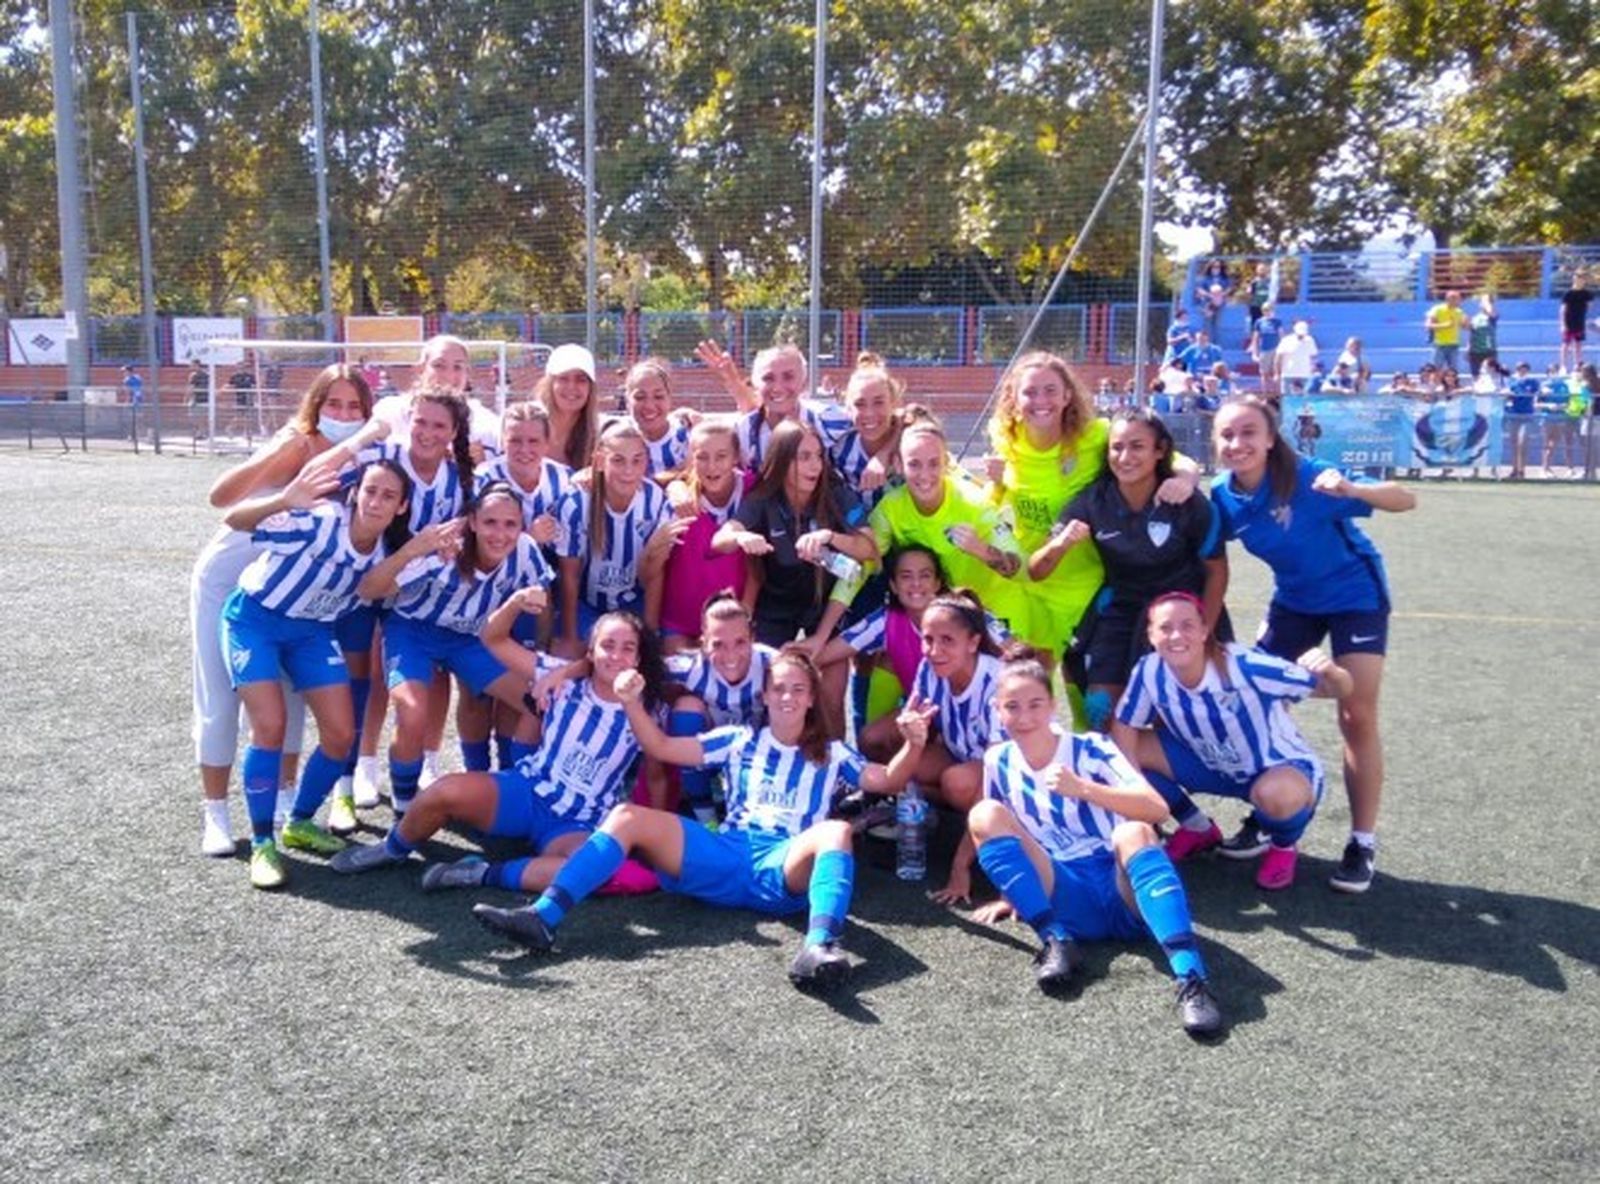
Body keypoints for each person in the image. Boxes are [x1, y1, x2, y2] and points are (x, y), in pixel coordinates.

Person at [470, 648, 935, 993]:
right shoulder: (738, 739)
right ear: (765, 695)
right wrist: (631, 703)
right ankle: (543, 918)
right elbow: (664, 749)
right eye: (779, 688)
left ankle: (818, 947)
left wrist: (913, 744)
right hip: (726, 853)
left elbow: (886, 780)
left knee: (835, 830)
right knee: (627, 816)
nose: (788, 697)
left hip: (781, 865)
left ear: (812, 697)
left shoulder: (832, 753)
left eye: (798, 689)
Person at [1209, 397, 1417, 892]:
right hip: (1294, 600)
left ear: (1270, 438)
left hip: (1355, 594)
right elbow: (1201, 548)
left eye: (1248, 433)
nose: (1238, 444)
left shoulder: (1307, 475)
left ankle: (1361, 842)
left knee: (1356, 713)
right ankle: (1270, 817)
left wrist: (1351, 487)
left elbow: (1406, 499)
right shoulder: (1222, 495)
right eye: (1227, 435)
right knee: (1258, 702)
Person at [965, 651, 1223, 1036]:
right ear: (997, 710)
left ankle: (1192, 980)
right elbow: (999, 829)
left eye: (1035, 704)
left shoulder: (1092, 748)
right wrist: (1009, 893)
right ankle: (1056, 941)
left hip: (1118, 888)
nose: (1024, 716)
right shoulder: (996, 759)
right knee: (983, 812)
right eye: (1012, 707)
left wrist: (1083, 788)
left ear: (1053, 706)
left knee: (1133, 832)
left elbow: (1155, 807)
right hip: (1063, 891)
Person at [333, 605, 664, 896]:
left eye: (627, 648)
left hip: (578, 821)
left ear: (638, 658)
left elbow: (661, 761)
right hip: (528, 790)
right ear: (590, 652)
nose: (616, 656)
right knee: (442, 792)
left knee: (587, 870)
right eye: (607, 646)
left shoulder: (651, 706)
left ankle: (479, 873)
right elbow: (493, 638)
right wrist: (518, 605)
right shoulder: (564, 679)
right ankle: (392, 849)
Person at [189, 364, 376, 857]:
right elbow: (221, 497)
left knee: (291, 702)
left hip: (294, 597)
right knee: (222, 700)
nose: (343, 415)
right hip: (234, 580)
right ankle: (216, 812)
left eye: (353, 407)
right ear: (314, 406)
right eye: (332, 404)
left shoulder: (360, 459)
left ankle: (284, 806)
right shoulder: (296, 443)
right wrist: (284, 480)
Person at [217, 460, 413, 888]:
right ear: (356, 493)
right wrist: (284, 500)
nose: (376, 502)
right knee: (269, 726)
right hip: (255, 621)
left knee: (342, 734)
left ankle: (300, 822)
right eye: (370, 491)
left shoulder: (385, 553)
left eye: (388, 496)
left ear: (401, 507)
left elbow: (381, 586)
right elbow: (233, 518)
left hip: (312, 631)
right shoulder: (322, 522)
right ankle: (263, 842)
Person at [1112, 592, 1354, 890]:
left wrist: (1332, 671)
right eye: (1165, 627)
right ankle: (1198, 828)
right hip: (1209, 762)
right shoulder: (1149, 670)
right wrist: (1135, 784)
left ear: (1204, 631)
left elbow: (1338, 689)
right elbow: (1124, 724)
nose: (1176, 635)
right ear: (1151, 635)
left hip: (1272, 767)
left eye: (1187, 625)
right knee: (1117, 755)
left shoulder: (1247, 666)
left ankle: (1283, 844)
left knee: (1278, 796)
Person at [355, 483, 554, 817]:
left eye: (510, 524)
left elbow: (543, 596)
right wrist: (411, 551)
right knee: (412, 712)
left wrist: (542, 651)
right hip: (414, 630)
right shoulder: (445, 549)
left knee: (539, 701)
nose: (500, 534)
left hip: (470, 639)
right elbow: (368, 590)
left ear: (521, 527)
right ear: (472, 522)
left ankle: (515, 786)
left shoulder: (526, 549)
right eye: (490, 522)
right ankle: (405, 807)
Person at [1027, 409, 1227, 732]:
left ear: (1159, 451)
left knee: (1173, 711)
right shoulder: (1094, 501)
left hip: (1180, 610)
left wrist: (1206, 629)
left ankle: (1160, 778)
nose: (1125, 456)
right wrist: (1059, 544)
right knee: (1100, 708)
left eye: (1137, 446)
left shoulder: (1186, 501)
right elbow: (1036, 570)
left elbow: (1217, 570)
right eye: (1117, 447)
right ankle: (1109, 776)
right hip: (1122, 606)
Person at [713, 420, 876, 651]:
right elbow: (720, 541)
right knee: (771, 675)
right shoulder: (764, 497)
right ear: (782, 460)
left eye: (819, 456)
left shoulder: (836, 493)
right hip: (775, 607)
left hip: (825, 607)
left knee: (830, 683)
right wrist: (741, 537)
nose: (815, 466)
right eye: (804, 457)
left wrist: (829, 537)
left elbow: (869, 548)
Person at [866, 417, 1026, 640]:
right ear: (898, 465)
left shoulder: (974, 503)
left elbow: (1023, 570)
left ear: (947, 464)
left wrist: (981, 550)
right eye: (914, 464)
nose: (924, 475)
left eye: (934, 463)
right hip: (938, 618)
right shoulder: (890, 508)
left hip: (991, 610)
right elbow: (864, 564)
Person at [551, 420, 673, 655]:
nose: (628, 470)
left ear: (645, 462)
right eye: (618, 460)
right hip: (586, 605)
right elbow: (570, 574)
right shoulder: (576, 503)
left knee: (645, 662)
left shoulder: (656, 501)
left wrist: (650, 633)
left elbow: (656, 573)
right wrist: (570, 635)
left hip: (633, 604)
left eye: (637, 460)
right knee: (567, 658)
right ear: (599, 462)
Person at [656, 419, 749, 647]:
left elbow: (758, 570)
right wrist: (674, 486)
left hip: (731, 626)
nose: (711, 466)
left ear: (736, 457)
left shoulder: (753, 491)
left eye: (721, 456)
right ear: (690, 459)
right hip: (679, 622)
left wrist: (747, 613)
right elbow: (638, 479)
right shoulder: (679, 497)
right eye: (702, 457)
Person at [619, 357, 696, 476]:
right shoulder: (618, 437)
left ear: (669, 398)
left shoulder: (689, 435)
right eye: (640, 397)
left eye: (658, 396)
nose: (649, 406)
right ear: (627, 400)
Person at [536, 343, 602, 471]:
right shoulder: (527, 425)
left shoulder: (600, 435)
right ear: (550, 384)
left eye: (581, 379)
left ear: (590, 387)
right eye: (563, 378)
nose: (572, 386)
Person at [1424, 289, 1469, 376]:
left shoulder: (1459, 312)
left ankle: (1452, 387)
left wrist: (1467, 322)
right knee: (1436, 369)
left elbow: (1465, 327)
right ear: (1449, 299)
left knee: (1453, 371)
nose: (1459, 301)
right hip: (1440, 345)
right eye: (1457, 299)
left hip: (1454, 345)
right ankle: (1436, 387)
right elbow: (1428, 325)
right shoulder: (1437, 309)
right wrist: (1444, 325)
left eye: (1459, 299)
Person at [1558, 271, 1593, 374]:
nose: (1579, 281)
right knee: (1566, 344)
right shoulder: (1568, 294)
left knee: (1578, 344)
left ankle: (1577, 364)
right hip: (1569, 322)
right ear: (1574, 280)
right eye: (1577, 279)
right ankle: (1563, 365)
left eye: (1582, 279)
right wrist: (1563, 324)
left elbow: (1589, 306)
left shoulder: (1587, 294)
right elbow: (1563, 309)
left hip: (1579, 322)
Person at [1275, 320, 1317, 394]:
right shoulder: (1286, 340)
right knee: (1286, 397)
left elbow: (1312, 356)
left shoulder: (1310, 340)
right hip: (1288, 374)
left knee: (1303, 398)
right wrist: (1277, 373)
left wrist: (1312, 368)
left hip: (1304, 374)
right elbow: (1278, 357)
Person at [1467, 293, 1499, 380]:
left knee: (1491, 375)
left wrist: (1486, 301)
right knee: (1476, 376)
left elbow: (1491, 312)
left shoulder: (1492, 316)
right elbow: (1472, 333)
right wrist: (1468, 349)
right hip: (1475, 351)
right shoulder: (1474, 318)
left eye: (1488, 302)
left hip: (1489, 351)